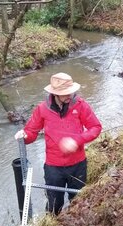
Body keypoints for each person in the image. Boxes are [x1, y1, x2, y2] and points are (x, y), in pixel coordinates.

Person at [14, 72, 102, 215]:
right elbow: (31, 132)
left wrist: (77, 140)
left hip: (78, 165)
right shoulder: (42, 109)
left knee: (78, 202)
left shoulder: (81, 105)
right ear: (54, 93)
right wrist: (23, 136)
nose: (70, 95)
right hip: (53, 167)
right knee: (54, 204)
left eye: (71, 92)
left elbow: (95, 127)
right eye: (65, 93)